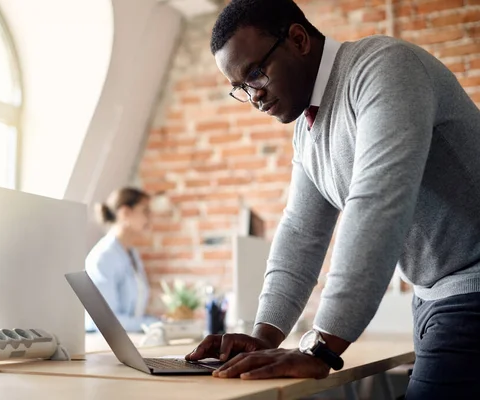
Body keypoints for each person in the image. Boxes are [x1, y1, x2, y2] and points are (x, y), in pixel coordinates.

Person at [184, 1, 480, 398]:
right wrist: (264, 336)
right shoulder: (308, 129)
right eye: (240, 87)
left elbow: (377, 202)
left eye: (255, 74)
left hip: (470, 289)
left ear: (298, 39)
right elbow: (301, 234)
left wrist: (323, 347)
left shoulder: (383, 69)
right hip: (434, 298)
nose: (253, 96)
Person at [85, 187, 159, 332]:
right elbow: (105, 321)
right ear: (125, 212)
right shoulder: (104, 257)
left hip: (130, 339)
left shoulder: (132, 253)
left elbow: (134, 313)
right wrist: (153, 324)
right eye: (145, 211)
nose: (150, 217)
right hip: (102, 344)